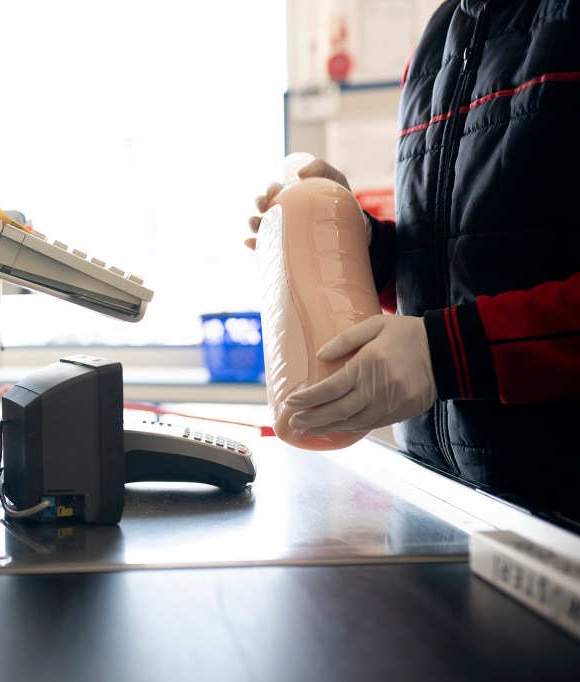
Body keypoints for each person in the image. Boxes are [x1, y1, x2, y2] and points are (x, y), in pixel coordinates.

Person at [247, 0, 580, 522]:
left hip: (561, 510)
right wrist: (362, 247)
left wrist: (448, 353)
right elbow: (459, 257)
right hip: (443, 495)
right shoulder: (439, 39)